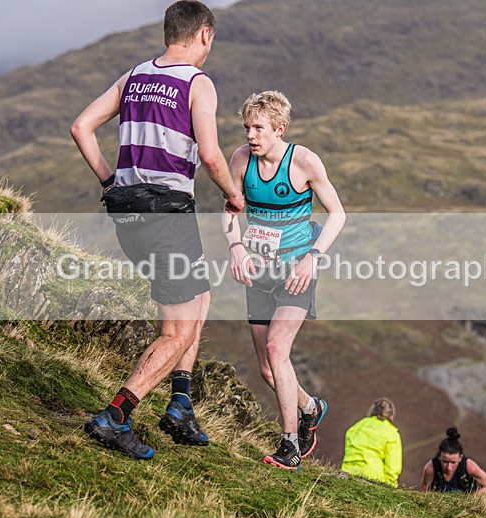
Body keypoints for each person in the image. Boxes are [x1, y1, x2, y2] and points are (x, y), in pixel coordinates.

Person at [71, 0, 244, 460]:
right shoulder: (197, 83)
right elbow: (210, 155)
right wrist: (234, 195)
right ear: (204, 34)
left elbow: (81, 127)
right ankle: (115, 416)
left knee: (199, 295)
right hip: (167, 215)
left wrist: (110, 182)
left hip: (129, 213)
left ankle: (180, 403)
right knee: (178, 331)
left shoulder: (134, 76)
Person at [223, 90, 346, 469]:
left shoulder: (304, 162)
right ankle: (310, 408)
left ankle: (289, 445)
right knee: (266, 369)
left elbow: (338, 214)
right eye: (247, 127)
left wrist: (313, 257)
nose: (250, 135)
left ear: (280, 128)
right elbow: (229, 211)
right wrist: (236, 248)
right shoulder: (240, 160)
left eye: (258, 128)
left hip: (297, 271)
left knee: (278, 350)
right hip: (259, 273)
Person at [340, 398, 403, 487]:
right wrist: (390, 485)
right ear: (391, 414)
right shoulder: (391, 432)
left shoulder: (357, 426)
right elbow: (393, 466)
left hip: (348, 473)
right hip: (374, 478)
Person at [421, 427, 486, 494]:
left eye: (453, 462)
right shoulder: (430, 468)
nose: (449, 467)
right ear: (439, 456)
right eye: (445, 462)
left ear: (460, 458)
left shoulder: (469, 466)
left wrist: (473, 499)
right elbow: (424, 491)